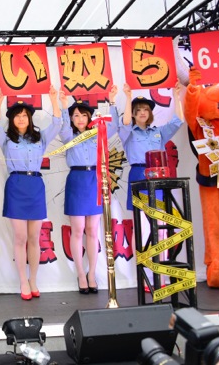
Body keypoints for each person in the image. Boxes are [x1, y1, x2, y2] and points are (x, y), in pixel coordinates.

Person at [0, 88, 61, 299]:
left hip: (35, 185)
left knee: (34, 237)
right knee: (20, 237)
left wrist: (54, 100)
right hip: (16, 185)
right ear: (12, 119)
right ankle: (23, 280)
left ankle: (33, 280)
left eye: (24, 115)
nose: (21, 118)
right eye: (17, 115)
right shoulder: (6, 139)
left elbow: (57, 123)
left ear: (30, 118)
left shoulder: (39, 137)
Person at [59, 87, 118, 294]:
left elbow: (114, 126)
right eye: (75, 115)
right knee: (77, 230)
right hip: (76, 181)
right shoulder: (68, 136)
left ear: (89, 117)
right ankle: (80, 274)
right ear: (71, 118)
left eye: (83, 115)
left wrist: (112, 101)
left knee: (93, 230)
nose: (80, 119)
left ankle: (92, 273)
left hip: (95, 180)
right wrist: (63, 105)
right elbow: (62, 126)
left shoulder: (97, 134)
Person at [119, 82, 184, 212]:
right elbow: (126, 122)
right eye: (138, 110)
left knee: (159, 215)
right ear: (132, 114)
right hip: (138, 174)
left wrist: (176, 96)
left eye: (145, 109)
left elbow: (178, 122)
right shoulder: (128, 133)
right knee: (140, 217)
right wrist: (128, 97)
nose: (142, 113)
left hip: (158, 175)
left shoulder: (158, 132)